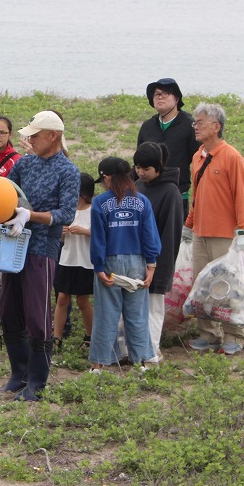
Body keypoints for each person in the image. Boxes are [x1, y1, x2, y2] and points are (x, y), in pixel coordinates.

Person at [0, 111, 80, 401]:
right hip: (12, 246)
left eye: (35, 135)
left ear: (53, 136)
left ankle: (37, 381)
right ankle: (17, 374)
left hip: (41, 248)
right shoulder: (25, 164)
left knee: (37, 316)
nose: (30, 139)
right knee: (9, 311)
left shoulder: (67, 171)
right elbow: (6, 190)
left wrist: (30, 215)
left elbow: (66, 214)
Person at [183, 103, 244, 355]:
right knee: (202, 284)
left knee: (228, 286)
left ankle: (234, 335)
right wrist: (189, 225)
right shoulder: (197, 156)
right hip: (201, 232)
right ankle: (208, 333)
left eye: (200, 122)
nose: (196, 126)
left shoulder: (231, 156)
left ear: (216, 126)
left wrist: (242, 230)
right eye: (195, 123)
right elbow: (196, 194)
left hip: (224, 235)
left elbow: (240, 195)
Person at [89, 157, 161, 371]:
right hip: (137, 262)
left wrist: (98, 266)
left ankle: (99, 363)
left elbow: (98, 238)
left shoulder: (100, 202)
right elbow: (150, 235)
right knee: (137, 314)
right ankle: (142, 361)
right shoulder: (142, 202)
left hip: (110, 262)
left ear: (107, 177)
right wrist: (152, 265)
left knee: (106, 314)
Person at [134, 142, 184, 362]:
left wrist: (160, 267)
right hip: (134, 259)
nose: (141, 173)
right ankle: (133, 350)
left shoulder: (171, 192)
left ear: (159, 167)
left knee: (154, 307)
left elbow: (171, 234)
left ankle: (151, 352)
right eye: (138, 167)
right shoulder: (137, 186)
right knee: (135, 307)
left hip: (158, 260)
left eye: (146, 169)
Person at [137, 78, 201, 218]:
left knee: (174, 238)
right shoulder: (148, 126)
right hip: (148, 195)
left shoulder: (189, 125)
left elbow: (199, 161)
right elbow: (138, 162)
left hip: (177, 194)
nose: (159, 97)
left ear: (176, 98)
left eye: (165, 93)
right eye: (156, 94)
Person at [52, 173, 94, 350]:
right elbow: (58, 237)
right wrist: (61, 233)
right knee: (62, 298)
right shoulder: (67, 210)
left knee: (83, 301)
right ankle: (56, 338)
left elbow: (100, 235)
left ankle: (91, 336)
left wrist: (83, 231)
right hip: (67, 259)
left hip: (85, 261)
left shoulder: (94, 210)